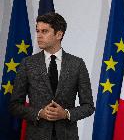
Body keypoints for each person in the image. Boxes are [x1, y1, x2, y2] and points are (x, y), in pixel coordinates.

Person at [9, 12, 95, 140]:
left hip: (67, 136)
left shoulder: (77, 64)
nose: (39, 36)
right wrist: (39, 113)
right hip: (36, 136)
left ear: (59, 34)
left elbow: (88, 106)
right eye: (37, 31)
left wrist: (66, 114)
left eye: (44, 31)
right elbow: (14, 105)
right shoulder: (27, 64)